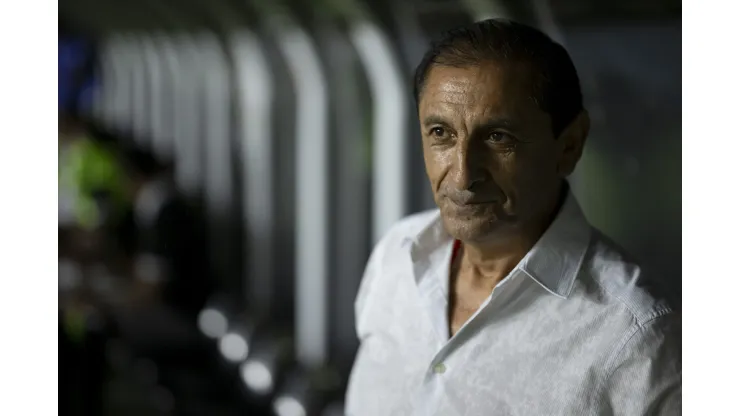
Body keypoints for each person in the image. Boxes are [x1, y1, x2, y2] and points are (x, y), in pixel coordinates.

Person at [345, 19, 680, 416]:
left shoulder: (636, 338)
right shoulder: (396, 258)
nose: (463, 175)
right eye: (441, 133)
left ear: (569, 145)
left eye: (498, 137)